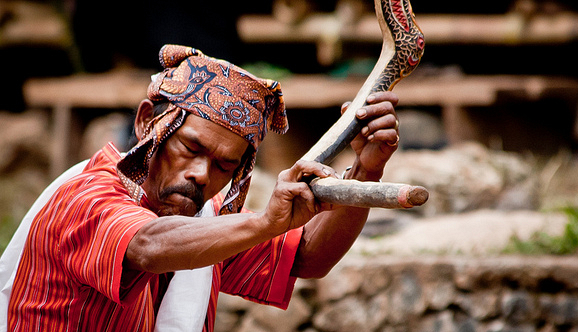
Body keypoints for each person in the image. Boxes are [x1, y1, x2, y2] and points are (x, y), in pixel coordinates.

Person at [1, 44, 401, 331]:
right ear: (146, 123)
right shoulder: (85, 196)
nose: (200, 175)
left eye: (225, 165)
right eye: (190, 147)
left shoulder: (203, 223)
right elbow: (146, 245)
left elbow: (308, 259)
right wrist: (266, 222)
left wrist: (366, 170)